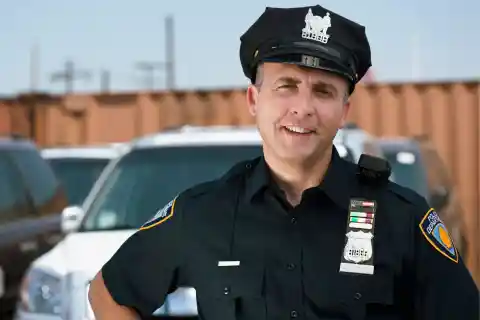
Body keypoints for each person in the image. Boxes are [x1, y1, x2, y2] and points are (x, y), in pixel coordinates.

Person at [88, 5, 479, 320]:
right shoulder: (204, 212)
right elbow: (107, 292)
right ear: (254, 101)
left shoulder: (401, 219)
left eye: (323, 91)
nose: (303, 108)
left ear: (344, 111)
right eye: (286, 86)